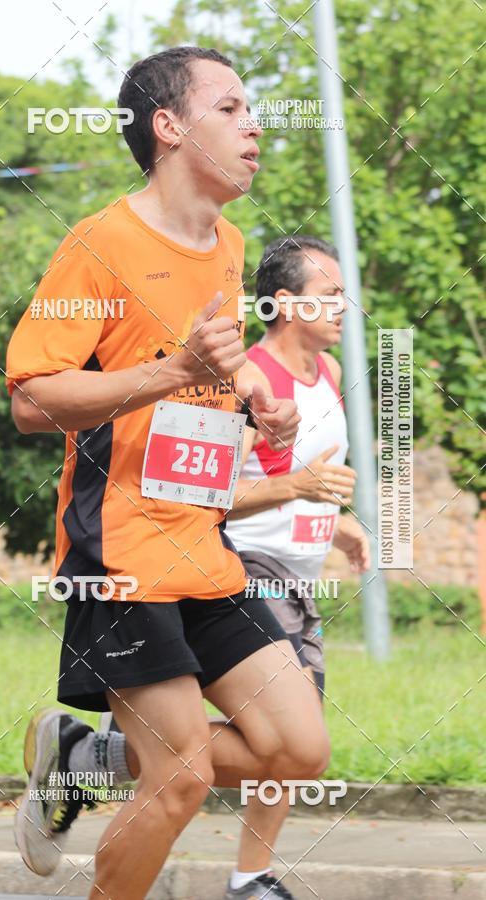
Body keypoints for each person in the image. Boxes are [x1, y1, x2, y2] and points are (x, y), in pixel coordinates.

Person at [6, 47, 328, 900]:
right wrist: (175, 370)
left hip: (203, 546)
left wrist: (256, 396)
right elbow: (33, 400)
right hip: (120, 555)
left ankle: (83, 758)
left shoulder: (227, 242)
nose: (255, 125)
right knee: (181, 776)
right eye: (230, 108)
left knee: (299, 748)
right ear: (169, 127)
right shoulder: (100, 245)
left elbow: (210, 357)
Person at [222, 235, 371, 897]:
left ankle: (251, 875)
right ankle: (105, 756)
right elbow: (216, 496)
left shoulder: (329, 373)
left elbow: (304, 480)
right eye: (329, 295)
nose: (344, 307)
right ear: (285, 303)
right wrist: (304, 489)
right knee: (296, 736)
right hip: (247, 571)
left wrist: (338, 527)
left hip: (299, 579)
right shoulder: (251, 382)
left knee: (294, 744)